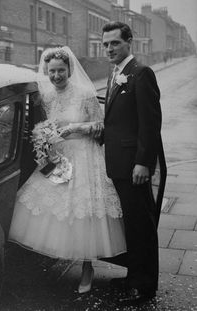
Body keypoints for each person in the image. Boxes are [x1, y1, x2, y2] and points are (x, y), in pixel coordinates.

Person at [8, 46, 126, 294]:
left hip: (84, 154)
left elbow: (101, 125)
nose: (57, 76)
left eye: (61, 70)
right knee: (53, 211)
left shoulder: (84, 94)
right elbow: (43, 123)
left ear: (70, 70)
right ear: (46, 71)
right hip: (58, 156)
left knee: (85, 212)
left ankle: (87, 267)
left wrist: (76, 128)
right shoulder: (47, 96)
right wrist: (44, 135)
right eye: (52, 71)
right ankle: (54, 256)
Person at [101, 21, 164, 303]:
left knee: (142, 226)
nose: (109, 49)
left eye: (114, 43)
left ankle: (144, 287)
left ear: (129, 42)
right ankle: (132, 277)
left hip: (134, 167)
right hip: (118, 164)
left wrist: (143, 163)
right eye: (105, 44)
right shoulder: (115, 75)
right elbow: (115, 121)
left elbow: (150, 125)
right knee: (131, 226)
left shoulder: (141, 74)